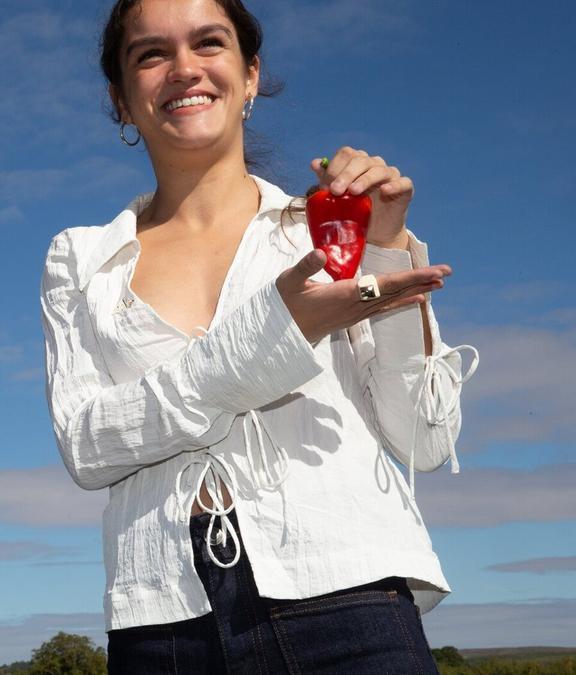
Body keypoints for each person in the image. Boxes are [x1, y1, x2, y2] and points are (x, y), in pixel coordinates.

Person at [37, 0, 480, 672]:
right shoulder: (79, 258)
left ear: (249, 76)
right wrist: (275, 335)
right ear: (121, 101)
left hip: (347, 600)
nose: (184, 69)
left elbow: (425, 436)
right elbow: (88, 443)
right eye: (150, 54)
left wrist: (385, 244)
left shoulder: (326, 228)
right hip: (161, 621)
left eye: (208, 43)